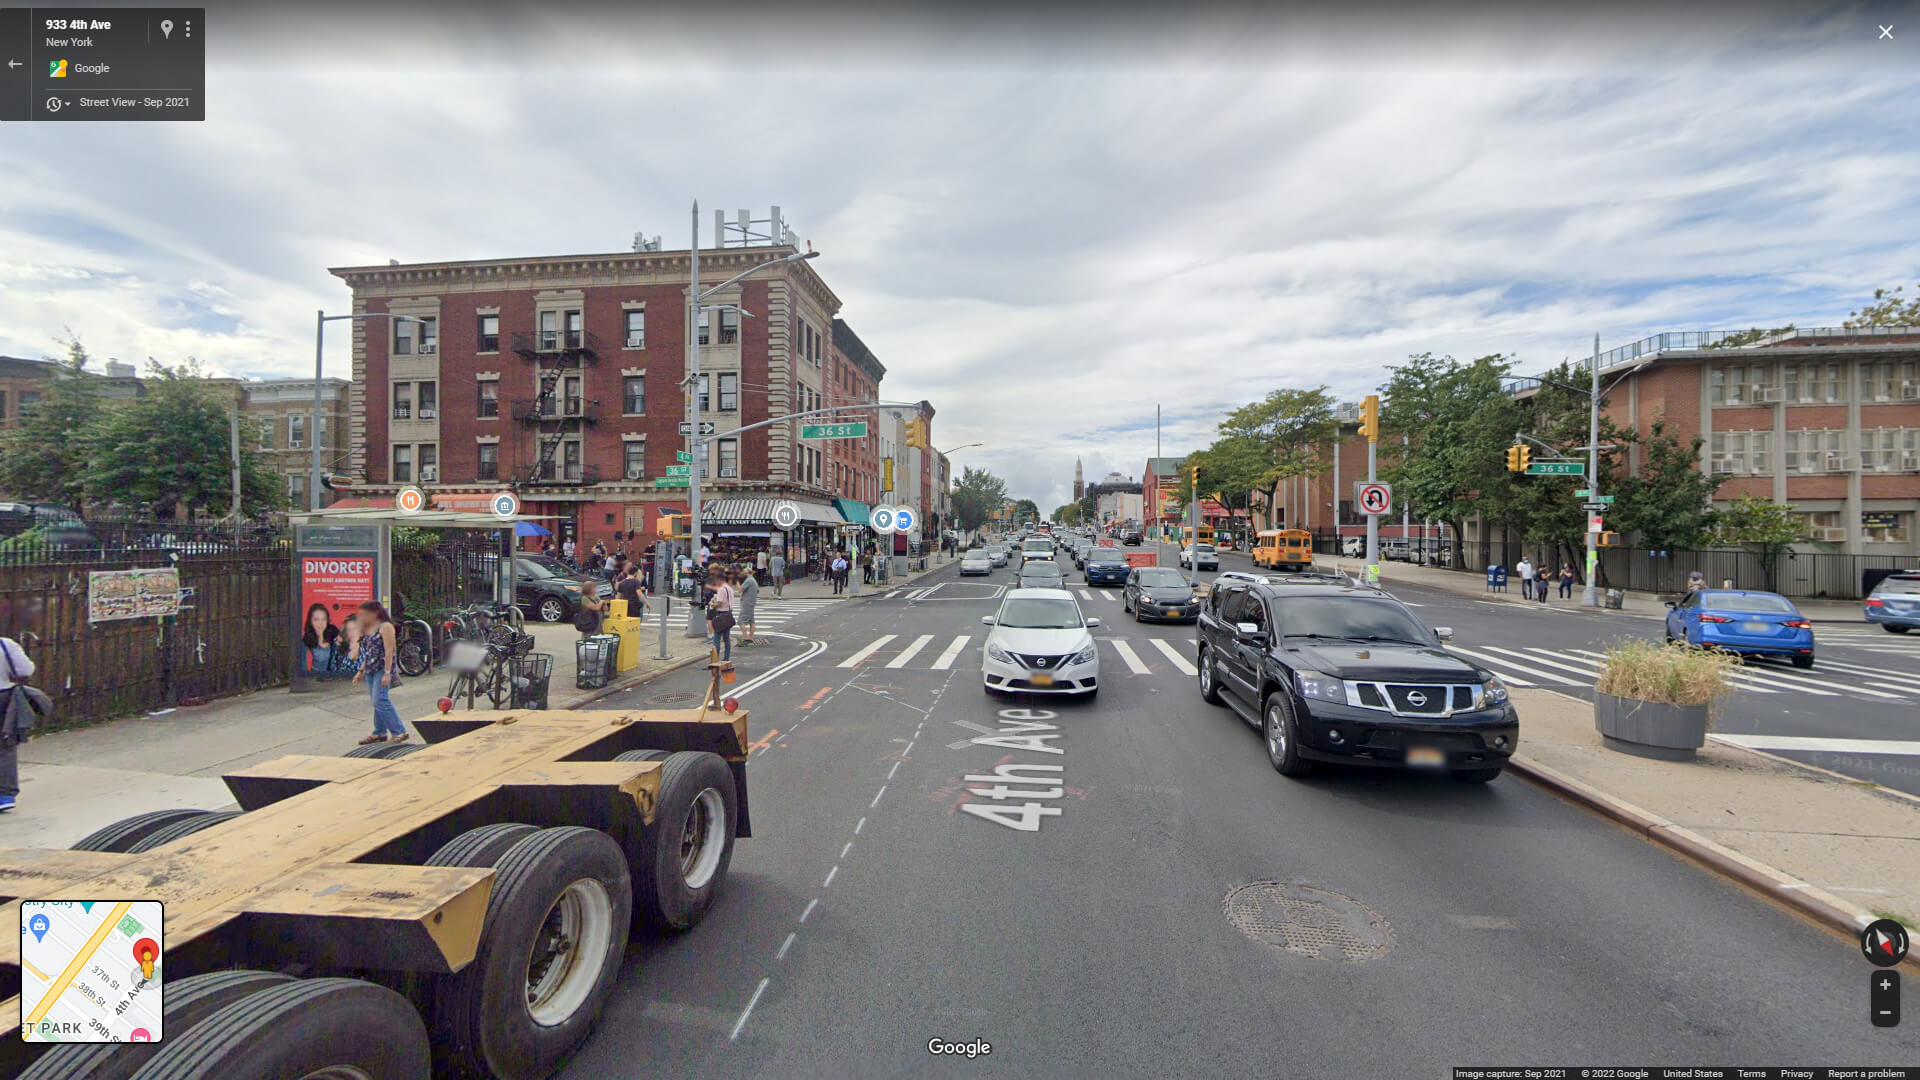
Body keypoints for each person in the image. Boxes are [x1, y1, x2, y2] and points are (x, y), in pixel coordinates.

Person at [352, 601, 408, 745]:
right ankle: (379, 732)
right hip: (371, 668)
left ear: (375, 613)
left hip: (382, 669)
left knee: (380, 700)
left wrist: (388, 672)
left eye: (365, 614)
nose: (362, 617)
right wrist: (361, 671)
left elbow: (389, 650)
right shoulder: (370, 628)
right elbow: (369, 652)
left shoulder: (386, 627)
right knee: (376, 702)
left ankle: (399, 731)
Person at [0, 627, 43, 813]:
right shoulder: (5, 644)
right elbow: (26, 669)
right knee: (5, 745)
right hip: (3, 698)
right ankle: (5, 795)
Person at [706, 569, 735, 665]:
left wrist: (712, 604)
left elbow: (719, 603)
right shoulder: (729, 588)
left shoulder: (722, 589)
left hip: (721, 614)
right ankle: (726, 658)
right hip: (728, 614)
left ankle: (716, 658)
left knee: (717, 638)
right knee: (726, 638)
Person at [302, 603, 340, 676]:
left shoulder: (333, 630)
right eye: (316, 619)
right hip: (317, 676)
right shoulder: (307, 637)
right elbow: (302, 664)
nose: (320, 623)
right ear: (310, 621)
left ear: (327, 620)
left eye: (323, 619)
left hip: (334, 677)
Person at [739, 563, 760, 645]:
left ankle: (746, 639)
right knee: (752, 622)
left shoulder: (749, 580)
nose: (743, 574)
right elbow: (757, 591)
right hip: (751, 603)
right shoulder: (753, 580)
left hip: (747, 604)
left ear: (747, 573)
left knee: (741, 621)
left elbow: (740, 589)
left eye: (744, 572)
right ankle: (750, 638)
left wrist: (736, 582)